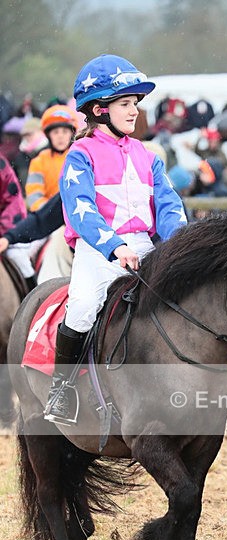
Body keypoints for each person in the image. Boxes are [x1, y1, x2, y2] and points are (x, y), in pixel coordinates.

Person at [44, 54, 187, 425]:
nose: (134, 110)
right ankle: (62, 389)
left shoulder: (148, 156)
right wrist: (114, 246)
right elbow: (81, 211)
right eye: (125, 103)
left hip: (145, 246)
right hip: (98, 250)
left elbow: (169, 206)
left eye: (135, 103)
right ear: (99, 109)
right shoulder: (80, 155)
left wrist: (180, 244)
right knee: (82, 307)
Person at [25, 105, 78, 211]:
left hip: (78, 212)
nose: (60, 136)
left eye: (65, 131)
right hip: (49, 216)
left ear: (71, 134)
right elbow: (34, 196)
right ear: (48, 136)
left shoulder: (80, 158)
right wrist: (51, 213)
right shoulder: (39, 161)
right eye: (55, 132)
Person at [0, 153, 37, 290]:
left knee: (19, 259)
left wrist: (4, 233)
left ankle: (33, 295)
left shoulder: (1, 165)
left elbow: (13, 201)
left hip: (4, 234)